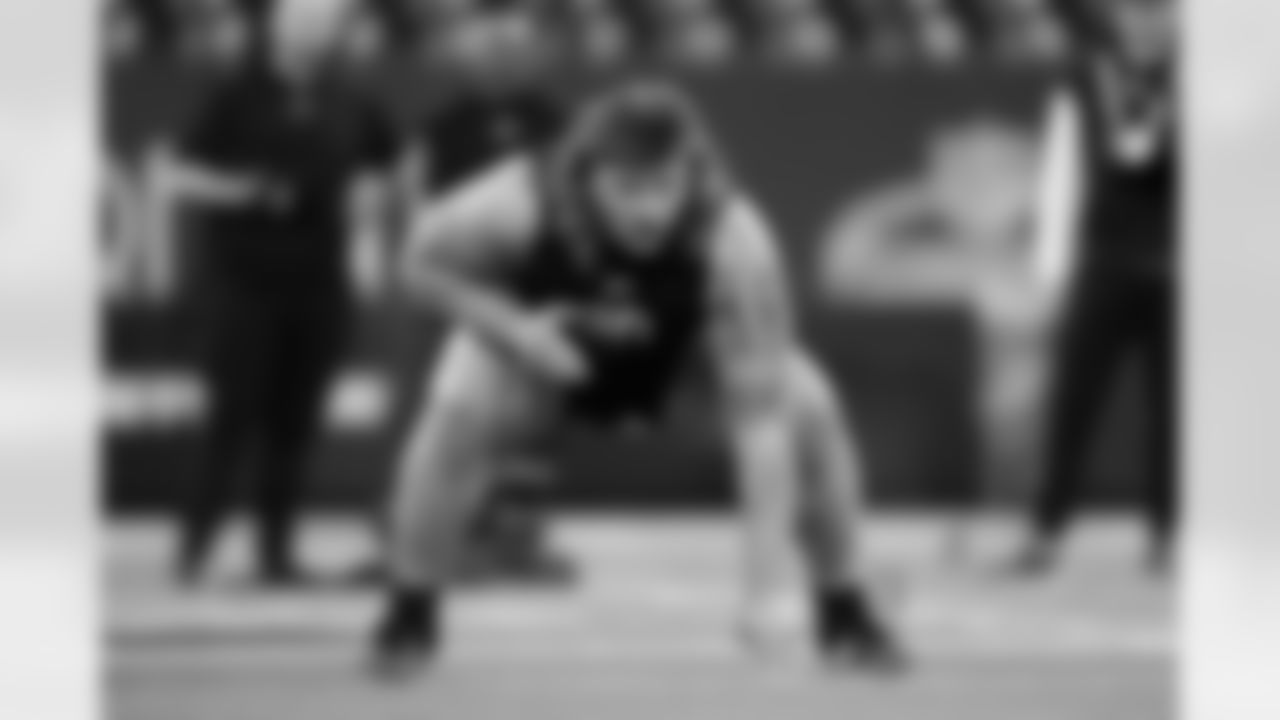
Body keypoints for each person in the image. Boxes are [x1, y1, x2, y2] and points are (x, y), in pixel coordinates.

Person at [369, 79, 905, 676]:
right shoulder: (513, 202)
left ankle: (845, 607)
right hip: (544, 350)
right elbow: (419, 266)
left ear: (691, 173)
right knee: (458, 407)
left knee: (810, 407)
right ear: (587, 175)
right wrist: (514, 329)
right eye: (627, 189)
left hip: (681, 366)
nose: (649, 210)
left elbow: (762, 426)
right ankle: (409, 611)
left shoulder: (734, 240)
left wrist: (765, 591)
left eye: (664, 187)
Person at [161, 0, 399, 585]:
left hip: (318, 282)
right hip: (246, 283)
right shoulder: (238, 94)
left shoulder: (347, 97)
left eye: (325, 23)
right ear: (277, 28)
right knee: (231, 419)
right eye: (303, 21)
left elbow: (387, 163)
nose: (315, 33)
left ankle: (277, 555)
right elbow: (176, 173)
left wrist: (371, 196)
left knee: (293, 425)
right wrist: (247, 191)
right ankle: (194, 550)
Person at [394, 6, 573, 584]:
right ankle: (445, 540)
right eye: (493, 48)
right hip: (469, 290)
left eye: (515, 48)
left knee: (533, 423)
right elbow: (417, 199)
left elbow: (578, 191)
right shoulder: (447, 123)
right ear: (473, 57)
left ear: (533, 53)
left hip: (532, 288)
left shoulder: (553, 117)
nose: (503, 59)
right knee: (457, 414)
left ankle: (519, 544)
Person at [1012, 0, 1178, 574]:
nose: (1147, 23)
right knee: (1072, 403)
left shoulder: (1205, 76)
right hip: (1104, 260)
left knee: (1175, 411)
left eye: (1161, 12)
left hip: (1181, 265)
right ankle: (1045, 529)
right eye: (1137, 11)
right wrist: (1050, 270)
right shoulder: (1088, 75)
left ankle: (1170, 535)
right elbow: (1061, 173)